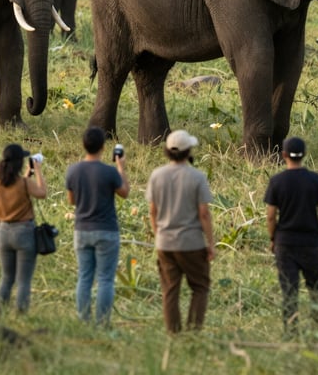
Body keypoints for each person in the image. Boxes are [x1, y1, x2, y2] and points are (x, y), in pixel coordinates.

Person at [146, 129, 215, 333]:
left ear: (167, 151)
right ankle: (193, 331)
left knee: (170, 290)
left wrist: (158, 234)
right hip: (192, 242)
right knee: (200, 287)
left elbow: (152, 211)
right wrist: (210, 243)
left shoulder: (157, 175)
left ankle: (173, 333)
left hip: (165, 242)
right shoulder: (197, 177)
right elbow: (204, 214)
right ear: (188, 151)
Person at [264, 136, 318, 334]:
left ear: (284, 155)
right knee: (317, 290)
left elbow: (270, 216)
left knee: (289, 291)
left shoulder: (277, 181)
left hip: (285, 244)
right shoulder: (315, 180)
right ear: (304, 154)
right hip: (312, 243)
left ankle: (291, 332)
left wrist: (273, 238)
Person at [65, 127, 130, 325]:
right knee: (105, 280)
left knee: (85, 277)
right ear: (103, 147)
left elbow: (71, 201)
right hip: (107, 231)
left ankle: (84, 320)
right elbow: (125, 193)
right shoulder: (109, 172)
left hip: (82, 230)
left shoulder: (73, 170)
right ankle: (102, 322)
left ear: (83, 145)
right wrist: (121, 167)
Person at [0, 143, 47, 313]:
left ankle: (0, 311)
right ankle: (21, 314)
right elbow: (42, 192)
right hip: (24, 233)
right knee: (23, 280)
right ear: (19, 163)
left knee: (7, 278)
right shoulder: (25, 183)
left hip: (4, 233)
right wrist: (38, 170)